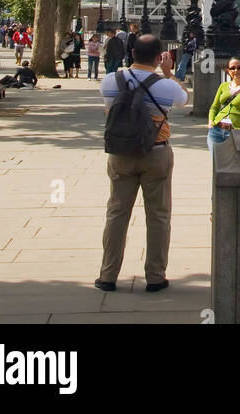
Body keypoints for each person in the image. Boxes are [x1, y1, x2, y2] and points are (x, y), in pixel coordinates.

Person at [96, 34, 188, 293]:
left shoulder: (110, 81)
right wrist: (169, 73)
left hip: (121, 152)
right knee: (158, 216)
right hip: (156, 152)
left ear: (133, 53)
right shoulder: (166, 86)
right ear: (159, 58)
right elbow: (184, 99)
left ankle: (107, 275)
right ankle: (155, 276)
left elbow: (109, 111)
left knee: (117, 213)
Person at [207, 57, 240, 153]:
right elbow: (214, 107)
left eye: (239, 68)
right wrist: (211, 122)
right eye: (232, 68)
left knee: (233, 161)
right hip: (217, 129)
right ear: (228, 71)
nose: (236, 70)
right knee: (216, 160)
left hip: (236, 131)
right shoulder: (223, 86)